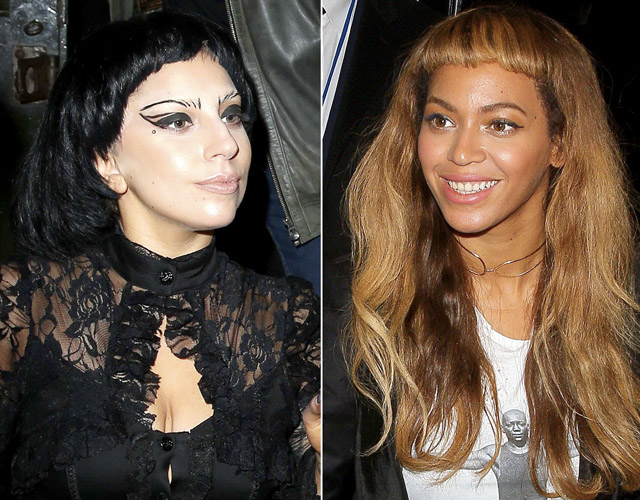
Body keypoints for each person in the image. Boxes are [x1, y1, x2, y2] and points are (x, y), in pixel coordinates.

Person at [0, 11, 320, 499]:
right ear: (105, 160)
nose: (227, 144)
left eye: (232, 114)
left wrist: (328, 468)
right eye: (177, 120)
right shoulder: (23, 304)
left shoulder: (290, 315)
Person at [346, 5, 640, 500]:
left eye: (500, 124)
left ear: (560, 142)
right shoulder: (367, 310)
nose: (461, 152)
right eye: (441, 119)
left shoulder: (623, 310)